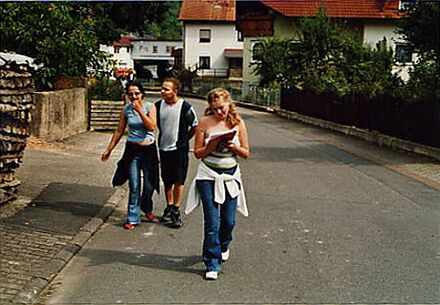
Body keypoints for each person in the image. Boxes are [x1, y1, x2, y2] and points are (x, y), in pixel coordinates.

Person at [186, 88, 250, 280]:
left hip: (230, 176)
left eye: (221, 108)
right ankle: (212, 262)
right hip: (208, 176)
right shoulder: (205, 123)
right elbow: (197, 153)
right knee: (212, 221)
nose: (219, 113)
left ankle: (223, 245)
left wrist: (233, 147)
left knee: (228, 221)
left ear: (229, 103)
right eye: (214, 109)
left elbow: (246, 153)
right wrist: (211, 146)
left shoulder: (238, 123)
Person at [101, 81, 159, 230]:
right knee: (134, 185)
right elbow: (119, 130)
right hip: (133, 150)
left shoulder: (150, 107)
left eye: (136, 93)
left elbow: (152, 126)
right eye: (130, 94)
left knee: (148, 185)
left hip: (148, 150)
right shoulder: (126, 109)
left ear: (142, 93)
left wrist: (140, 111)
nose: (133, 96)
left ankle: (146, 206)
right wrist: (109, 149)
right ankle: (132, 217)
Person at [155, 77, 198, 228]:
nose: (162, 91)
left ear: (175, 91)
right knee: (167, 179)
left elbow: (194, 126)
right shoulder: (158, 105)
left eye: (166, 89)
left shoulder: (185, 107)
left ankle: (176, 210)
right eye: (162, 88)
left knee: (179, 180)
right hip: (163, 147)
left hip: (179, 149)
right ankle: (169, 205)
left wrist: (185, 140)